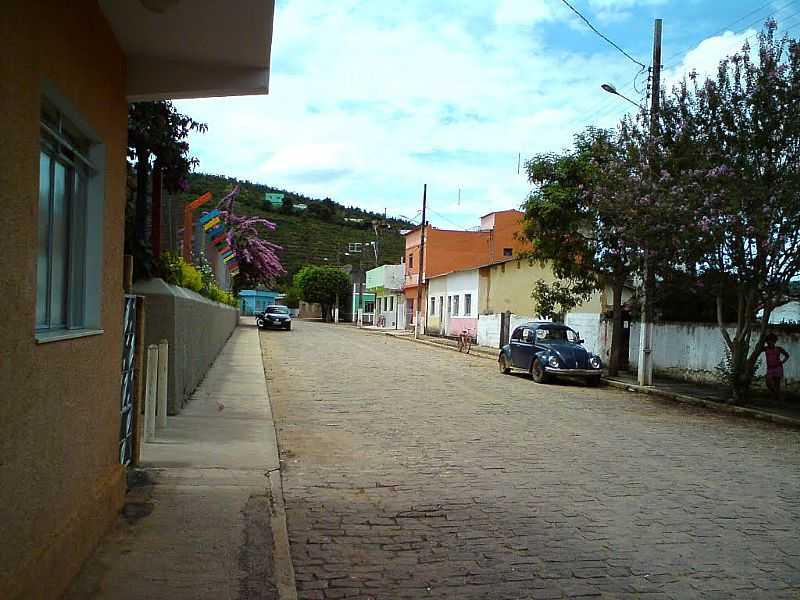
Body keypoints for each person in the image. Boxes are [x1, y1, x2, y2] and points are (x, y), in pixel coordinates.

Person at [763, 333, 790, 400]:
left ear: (774, 341)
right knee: (768, 382)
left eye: (772, 340)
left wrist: (782, 362)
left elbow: (787, 355)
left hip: (778, 368)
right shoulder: (765, 348)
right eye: (768, 341)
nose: (770, 342)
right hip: (770, 368)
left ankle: (777, 398)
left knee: (777, 384)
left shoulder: (778, 348)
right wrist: (763, 340)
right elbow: (758, 348)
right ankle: (777, 395)